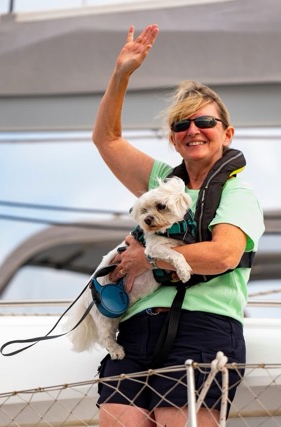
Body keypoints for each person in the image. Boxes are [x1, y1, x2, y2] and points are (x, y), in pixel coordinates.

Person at [92, 24, 265, 426]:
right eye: (181, 125)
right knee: (117, 419)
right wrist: (121, 75)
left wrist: (148, 261)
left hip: (203, 326)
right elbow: (107, 139)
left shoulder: (238, 195)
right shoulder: (160, 184)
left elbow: (223, 255)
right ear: (173, 140)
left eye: (204, 122)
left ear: (227, 133)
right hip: (137, 330)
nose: (193, 130)